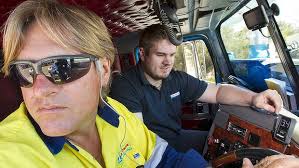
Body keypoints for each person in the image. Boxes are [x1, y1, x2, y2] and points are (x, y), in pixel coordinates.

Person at [0, 1, 208, 167]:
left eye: (61, 67)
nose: (39, 90)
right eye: (25, 70)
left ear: (104, 70)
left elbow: (162, 159)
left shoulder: (115, 113)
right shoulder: (8, 153)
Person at [110, 24, 283, 153]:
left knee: (224, 145)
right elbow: (138, 143)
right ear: (142, 53)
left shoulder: (176, 78)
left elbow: (217, 92)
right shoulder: (125, 86)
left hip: (177, 137)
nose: (168, 62)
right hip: (154, 149)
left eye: (171, 55)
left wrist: (254, 98)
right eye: (160, 55)